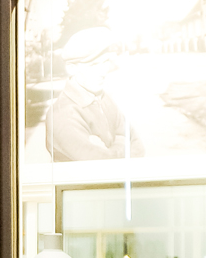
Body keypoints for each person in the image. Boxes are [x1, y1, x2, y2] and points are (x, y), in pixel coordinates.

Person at [46, 28, 145, 162]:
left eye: (105, 62)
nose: (103, 72)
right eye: (93, 65)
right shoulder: (62, 115)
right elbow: (100, 166)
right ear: (72, 69)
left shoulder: (102, 97)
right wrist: (122, 142)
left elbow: (137, 144)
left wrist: (115, 146)